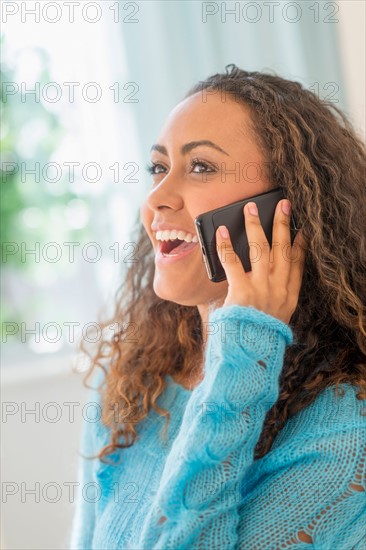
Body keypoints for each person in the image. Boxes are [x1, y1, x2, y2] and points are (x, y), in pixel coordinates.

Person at [69, 64, 366, 549]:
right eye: (159, 168)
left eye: (201, 167)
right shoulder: (130, 384)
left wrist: (247, 340)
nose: (157, 199)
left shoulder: (344, 438)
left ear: (286, 207)